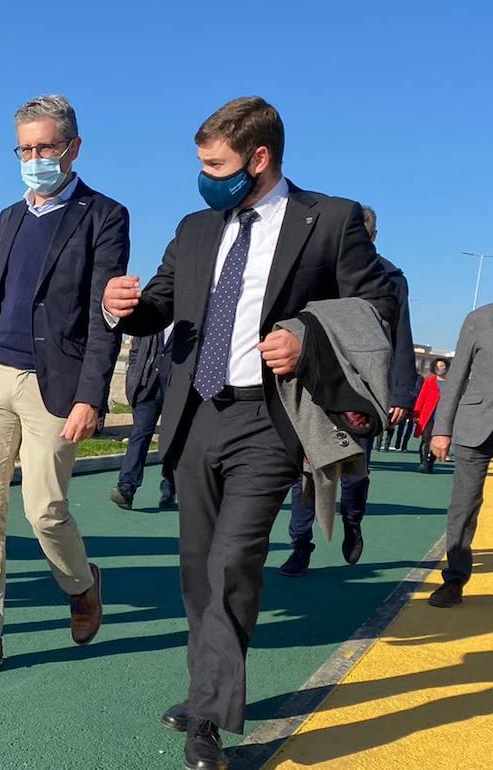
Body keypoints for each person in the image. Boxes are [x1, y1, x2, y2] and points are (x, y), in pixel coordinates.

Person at [102, 96, 396, 770]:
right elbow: (159, 304)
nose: (203, 176)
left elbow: (380, 303)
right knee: (198, 570)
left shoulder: (330, 221)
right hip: (195, 414)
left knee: (235, 561)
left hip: (269, 420)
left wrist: (303, 334)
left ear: (258, 159)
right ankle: (209, 684)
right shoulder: (196, 227)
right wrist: (122, 308)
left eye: (215, 164)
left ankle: (208, 717)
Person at [0, 95, 129, 680]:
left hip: (58, 384)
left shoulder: (105, 215)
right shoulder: (9, 217)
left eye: (45, 147)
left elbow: (105, 316)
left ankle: (81, 584)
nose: (35, 157)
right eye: (25, 148)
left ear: (73, 148)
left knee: (45, 508)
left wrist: (90, 396)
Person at [279, 204, 416, 575]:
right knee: (307, 471)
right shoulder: (317, 266)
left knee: (355, 468)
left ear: (372, 238)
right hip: (318, 383)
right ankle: (300, 545)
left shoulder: (390, 278)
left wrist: (401, 394)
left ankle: (352, 522)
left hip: (364, 389)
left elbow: (401, 335)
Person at [427, 304, 493, 608]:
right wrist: (442, 429)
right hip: (476, 424)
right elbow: (456, 377)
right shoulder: (479, 319)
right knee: (464, 505)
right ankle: (454, 580)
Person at [111, 328, 177, 510]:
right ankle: (126, 488)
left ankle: (170, 489)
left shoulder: (188, 316)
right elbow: (136, 350)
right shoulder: (153, 317)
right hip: (147, 386)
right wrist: (134, 378)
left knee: (173, 439)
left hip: (176, 389)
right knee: (139, 435)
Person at [414, 357, 449, 473]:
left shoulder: (451, 382)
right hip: (428, 416)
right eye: (438, 366)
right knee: (426, 440)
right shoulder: (429, 380)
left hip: (443, 418)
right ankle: (423, 462)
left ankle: (431, 463)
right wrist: (416, 413)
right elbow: (421, 397)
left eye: (442, 366)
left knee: (436, 441)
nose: (440, 368)